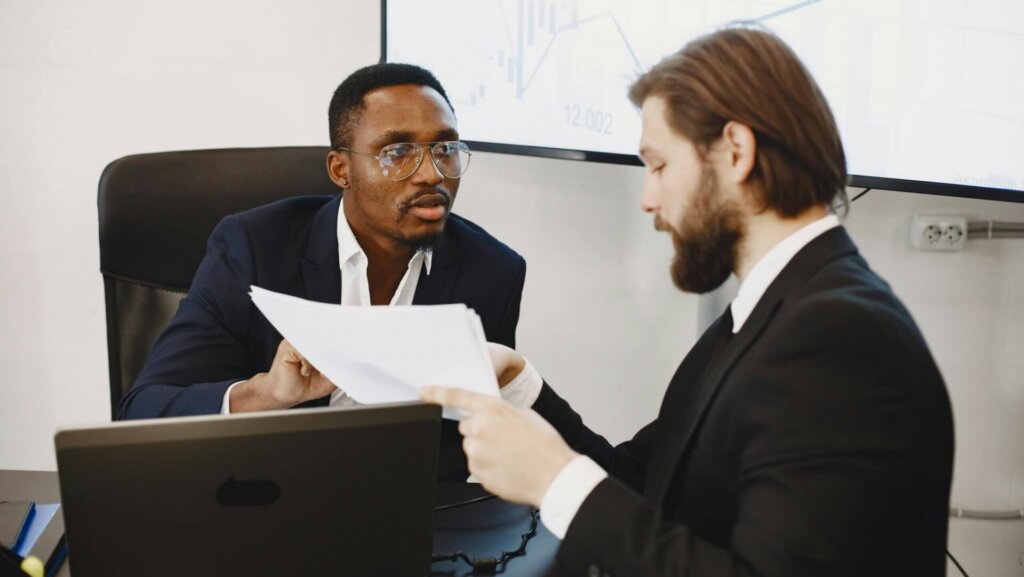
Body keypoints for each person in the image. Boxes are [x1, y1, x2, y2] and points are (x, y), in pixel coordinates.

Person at [422, 26, 955, 575]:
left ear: (736, 152)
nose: (648, 200)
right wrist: (518, 382)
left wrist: (558, 480)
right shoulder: (767, 317)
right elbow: (644, 481)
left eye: (658, 166)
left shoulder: (839, 339)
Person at [119, 63, 528, 481]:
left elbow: (476, 437)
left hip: (418, 511)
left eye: (445, 149)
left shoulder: (493, 272)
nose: (431, 173)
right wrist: (267, 393)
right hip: (274, 497)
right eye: (397, 152)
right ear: (340, 170)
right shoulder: (253, 249)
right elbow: (143, 413)